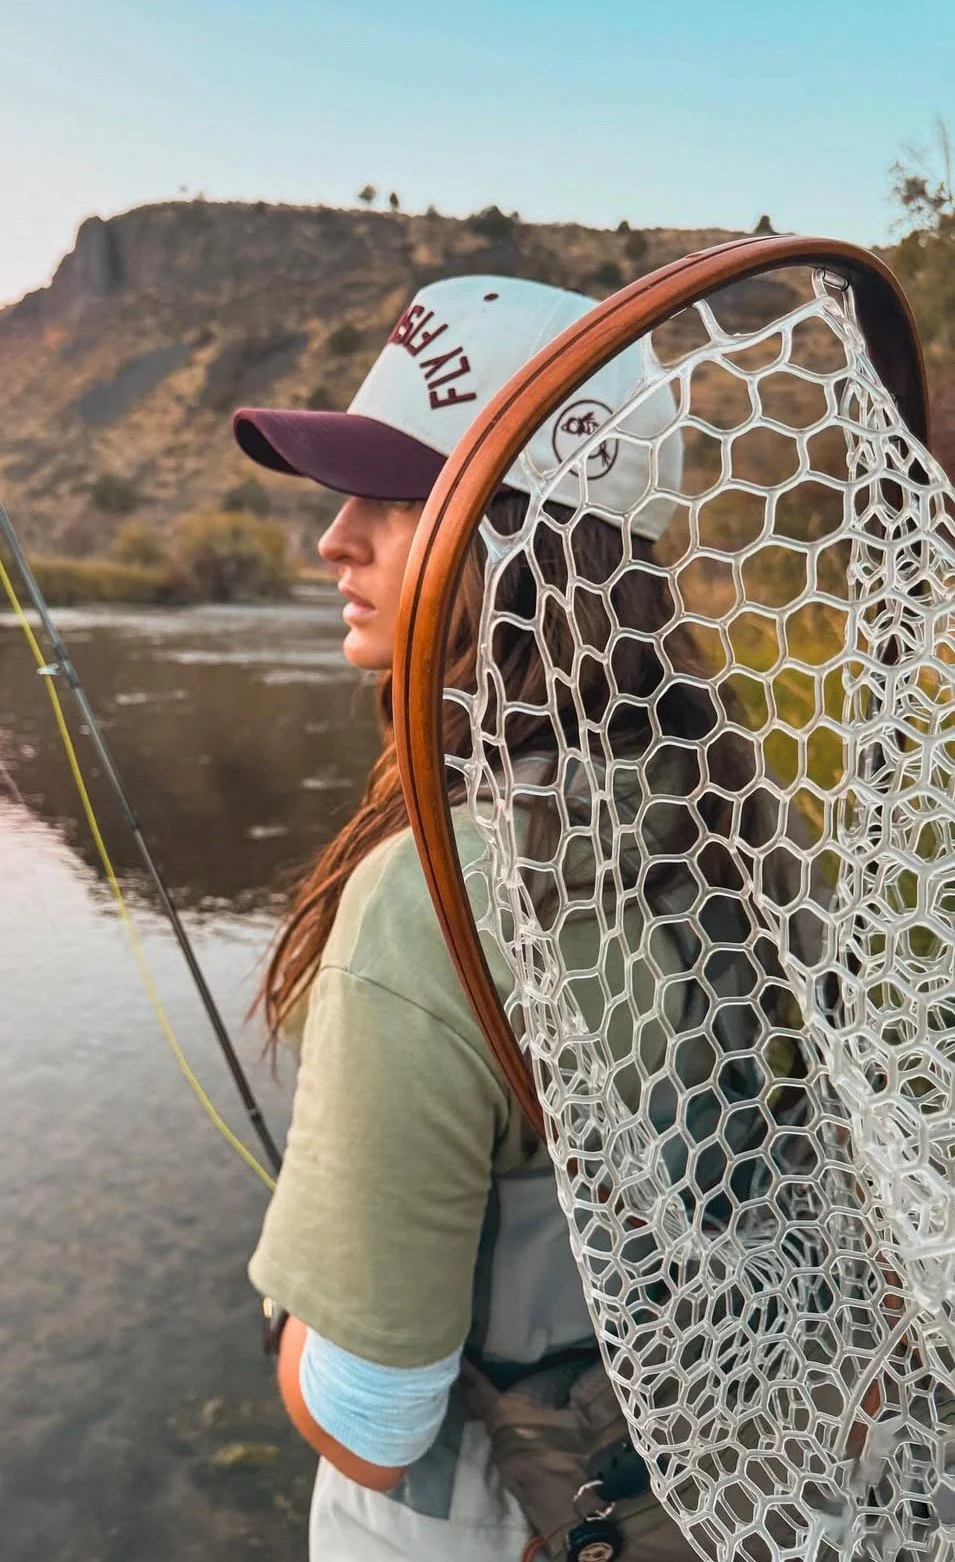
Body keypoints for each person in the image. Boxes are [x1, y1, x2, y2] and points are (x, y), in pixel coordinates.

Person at [230, 276, 768, 1562]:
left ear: (523, 540)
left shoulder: (428, 903)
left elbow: (375, 1418)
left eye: (397, 497)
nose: (335, 540)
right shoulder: (722, 802)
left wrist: (292, 1320)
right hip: (691, 1478)